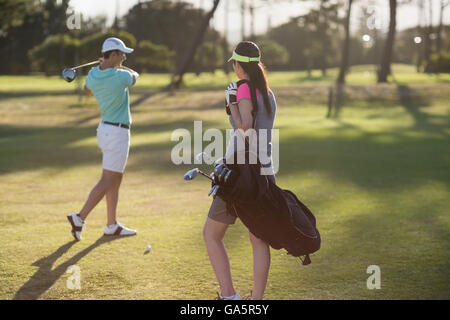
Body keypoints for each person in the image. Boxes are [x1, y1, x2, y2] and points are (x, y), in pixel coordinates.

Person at [203, 41, 277, 300]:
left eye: (234, 64)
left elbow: (244, 126)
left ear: (238, 65)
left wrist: (230, 103)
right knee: (258, 239)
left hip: (240, 174)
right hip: (264, 171)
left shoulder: (243, 88)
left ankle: (229, 296)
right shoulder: (267, 92)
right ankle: (256, 301)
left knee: (211, 235)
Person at [67, 37, 139, 241]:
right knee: (108, 179)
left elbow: (88, 90)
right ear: (114, 54)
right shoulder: (120, 76)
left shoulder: (93, 75)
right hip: (117, 134)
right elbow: (135, 76)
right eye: (122, 54)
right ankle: (79, 217)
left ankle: (111, 224)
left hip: (106, 130)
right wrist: (117, 67)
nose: (124, 57)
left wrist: (101, 68)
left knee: (115, 178)